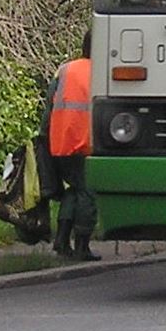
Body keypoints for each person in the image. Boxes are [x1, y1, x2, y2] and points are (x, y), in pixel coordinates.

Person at [41, 30, 99, 261]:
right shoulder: (100, 72)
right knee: (88, 192)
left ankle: (62, 241)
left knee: (73, 189)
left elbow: (48, 106)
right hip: (85, 142)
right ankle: (82, 245)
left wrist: (44, 136)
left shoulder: (65, 69)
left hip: (60, 142)